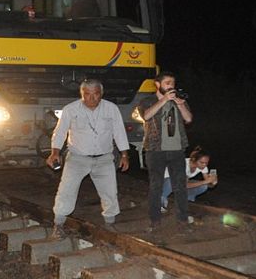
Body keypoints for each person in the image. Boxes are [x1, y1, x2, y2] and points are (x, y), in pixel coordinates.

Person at [46, 79, 130, 236]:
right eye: (87, 94)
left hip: (104, 158)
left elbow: (119, 131)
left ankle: (110, 224)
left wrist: (124, 154)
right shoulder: (70, 109)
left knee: (109, 191)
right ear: (81, 94)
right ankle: (58, 224)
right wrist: (55, 152)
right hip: (77, 158)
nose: (92, 98)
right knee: (66, 190)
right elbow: (60, 131)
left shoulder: (111, 109)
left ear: (101, 94)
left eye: (95, 94)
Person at [136, 71, 193, 231]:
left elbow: (188, 119)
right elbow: (146, 116)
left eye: (172, 83)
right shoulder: (147, 101)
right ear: (158, 84)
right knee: (156, 186)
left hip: (177, 150)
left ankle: (182, 220)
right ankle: (155, 221)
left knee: (180, 186)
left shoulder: (177, 101)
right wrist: (164, 100)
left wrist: (180, 104)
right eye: (167, 83)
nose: (171, 86)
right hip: (156, 150)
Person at [161, 146, 218, 211]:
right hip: (163, 181)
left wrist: (213, 182)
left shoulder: (203, 167)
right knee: (171, 181)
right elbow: (184, 185)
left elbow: (209, 185)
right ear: (194, 160)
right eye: (201, 162)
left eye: (206, 163)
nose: (204, 165)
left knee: (203, 186)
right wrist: (205, 181)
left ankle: (187, 200)